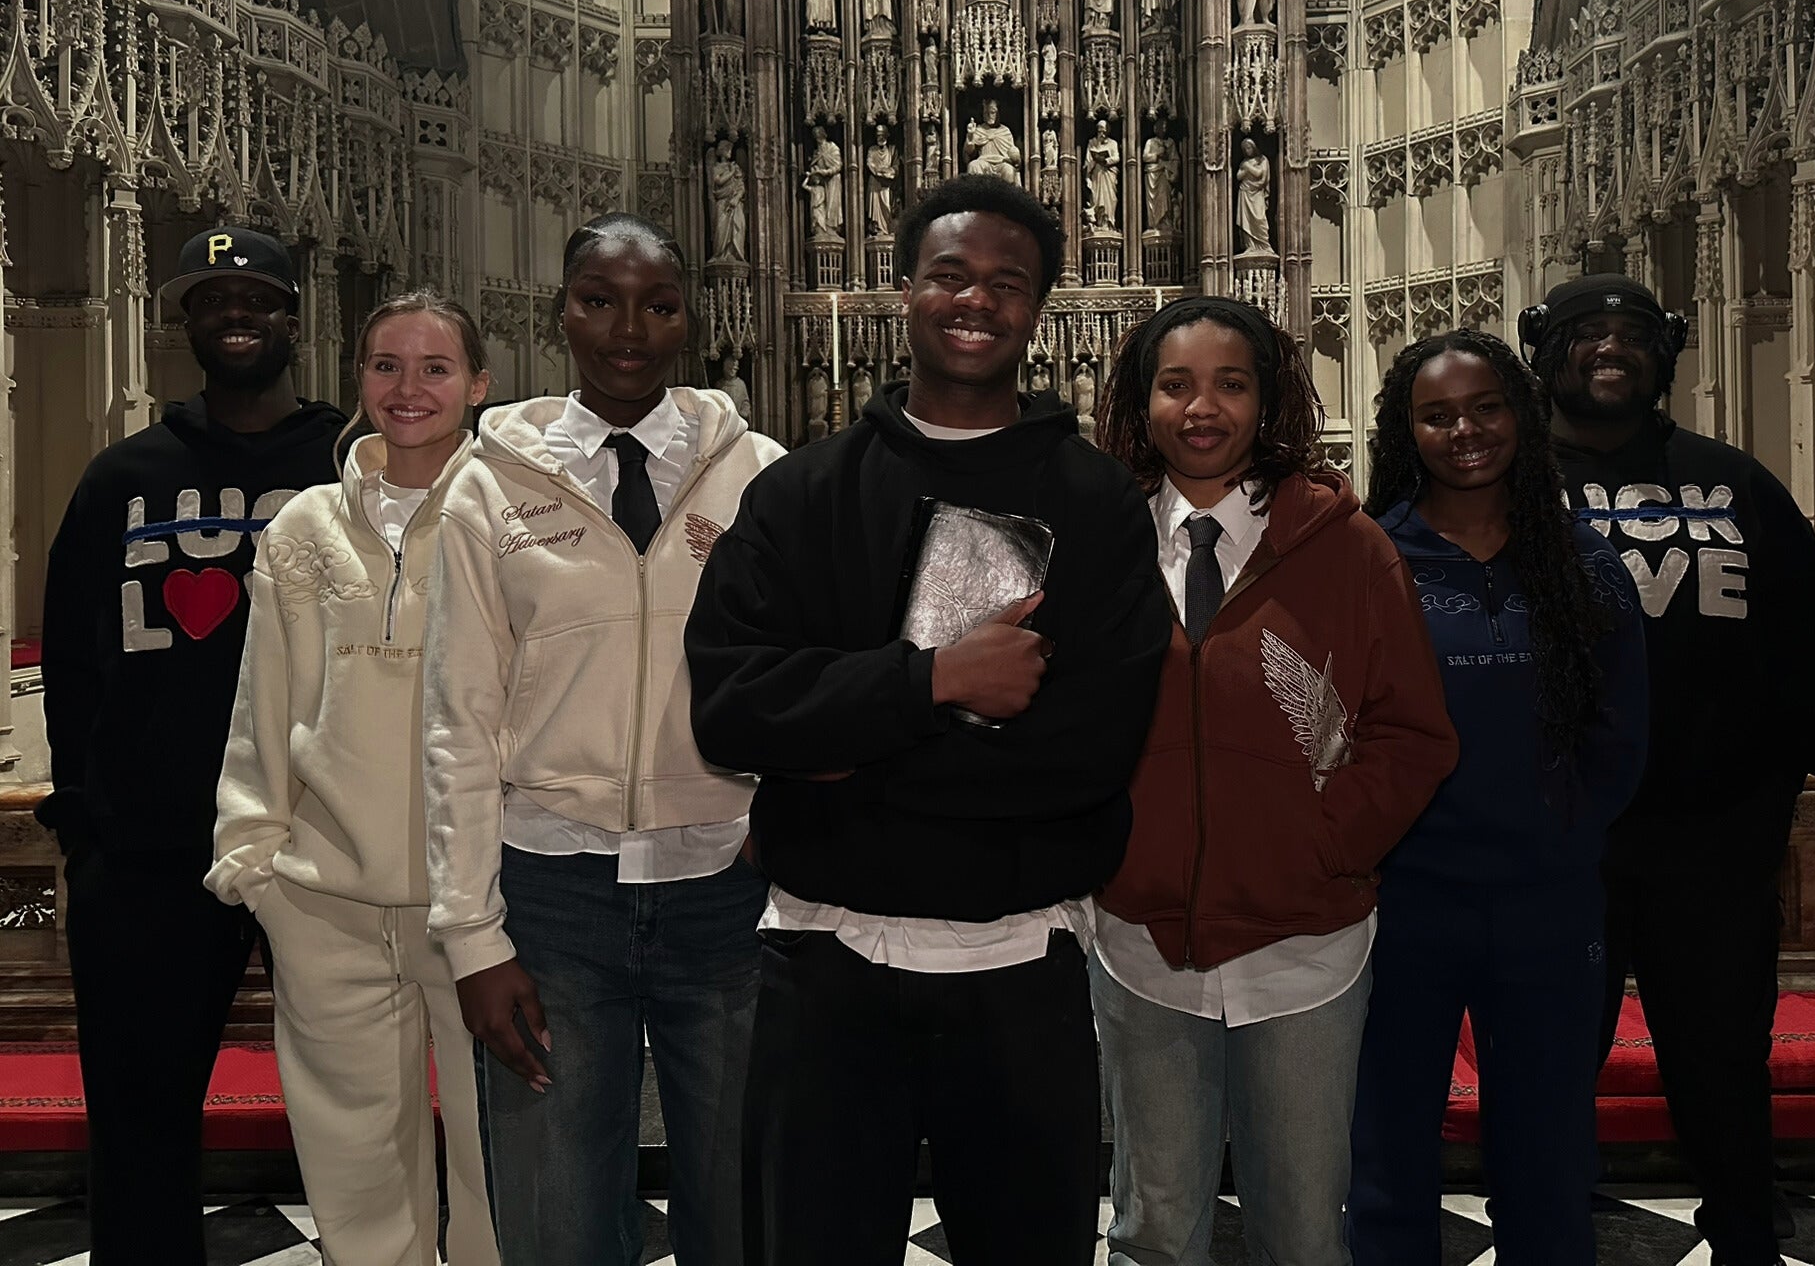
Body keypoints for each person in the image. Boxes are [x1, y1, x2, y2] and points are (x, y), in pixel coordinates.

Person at [687, 175, 1171, 1266]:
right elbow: (732, 711)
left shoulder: (1094, 503)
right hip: (826, 961)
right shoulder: (803, 491)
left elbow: (1091, 752)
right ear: (903, 288)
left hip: (1021, 963)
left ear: (1039, 310)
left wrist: (837, 754)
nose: (975, 300)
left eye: (1007, 282)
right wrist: (932, 685)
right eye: (949, 274)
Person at [421, 212, 784, 1266]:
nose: (628, 329)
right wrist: (474, 938)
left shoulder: (757, 473)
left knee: (746, 1205)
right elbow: (456, 718)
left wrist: (782, 828)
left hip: (723, 888)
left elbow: (799, 677)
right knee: (558, 1220)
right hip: (552, 893)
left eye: (657, 305)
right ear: (560, 314)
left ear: (689, 319)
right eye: (598, 300)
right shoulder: (488, 484)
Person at [1091, 298, 1460, 1266]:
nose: (1200, 408)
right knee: (1153, 1232)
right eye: (1175, 384)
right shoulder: (1102, 542)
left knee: (1299, 1233)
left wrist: (1325, 844)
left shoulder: (1345, 544)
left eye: (1230, 383)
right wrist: (1110, 846)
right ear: (1141, 401)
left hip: (1304, 947)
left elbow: (1413, 735)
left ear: (1268, 399)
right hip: (1143, 945)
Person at [37, 225, 347, 1264]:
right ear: (185, 323)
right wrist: (83, 820)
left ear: (293, 316)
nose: (235, 313)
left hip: (324, 836)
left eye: (255, 296)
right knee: (140, 1111)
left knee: (361, 1098)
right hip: (153, 845)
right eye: (212, 299)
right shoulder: (123, 477)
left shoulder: (348, 467)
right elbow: (75, 656)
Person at [1525, 274, 1815, 1266]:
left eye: (1630, 334)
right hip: (1554, 842)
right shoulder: (1502, 482)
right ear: (1544, 351)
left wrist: (1766, 791)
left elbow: (1803, 633)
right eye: (1585, 333)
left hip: (1710, 841)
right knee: (1550, 1059)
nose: (1608, 348)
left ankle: (1743, 1234)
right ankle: (1545, 1236)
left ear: (1665, 352)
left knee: (1720, 1056)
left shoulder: (1732, 481)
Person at [210, 292, 499, 1266]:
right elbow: (264, 702)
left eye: (434, 368)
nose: (407, 388)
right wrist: (256, 862)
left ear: (478, 384)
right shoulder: (303, 526)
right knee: (358, 1184)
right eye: (385, 365)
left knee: (503, 1172)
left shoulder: (517, 518)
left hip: (484, 908)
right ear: (359, 378)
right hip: (326, 905)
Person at [1349, 329, 1649, 1264]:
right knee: (1387, 1154)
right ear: (1405, 432)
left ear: (1521, 414)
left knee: (1549, 1158)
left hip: (1545, 907)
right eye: (1436, 415)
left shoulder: (1584, 564)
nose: (1465, 431)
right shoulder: (1366, 562)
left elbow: (1619, 739)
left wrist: (1557, 838)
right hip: (1401, 906)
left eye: (1486, 408)